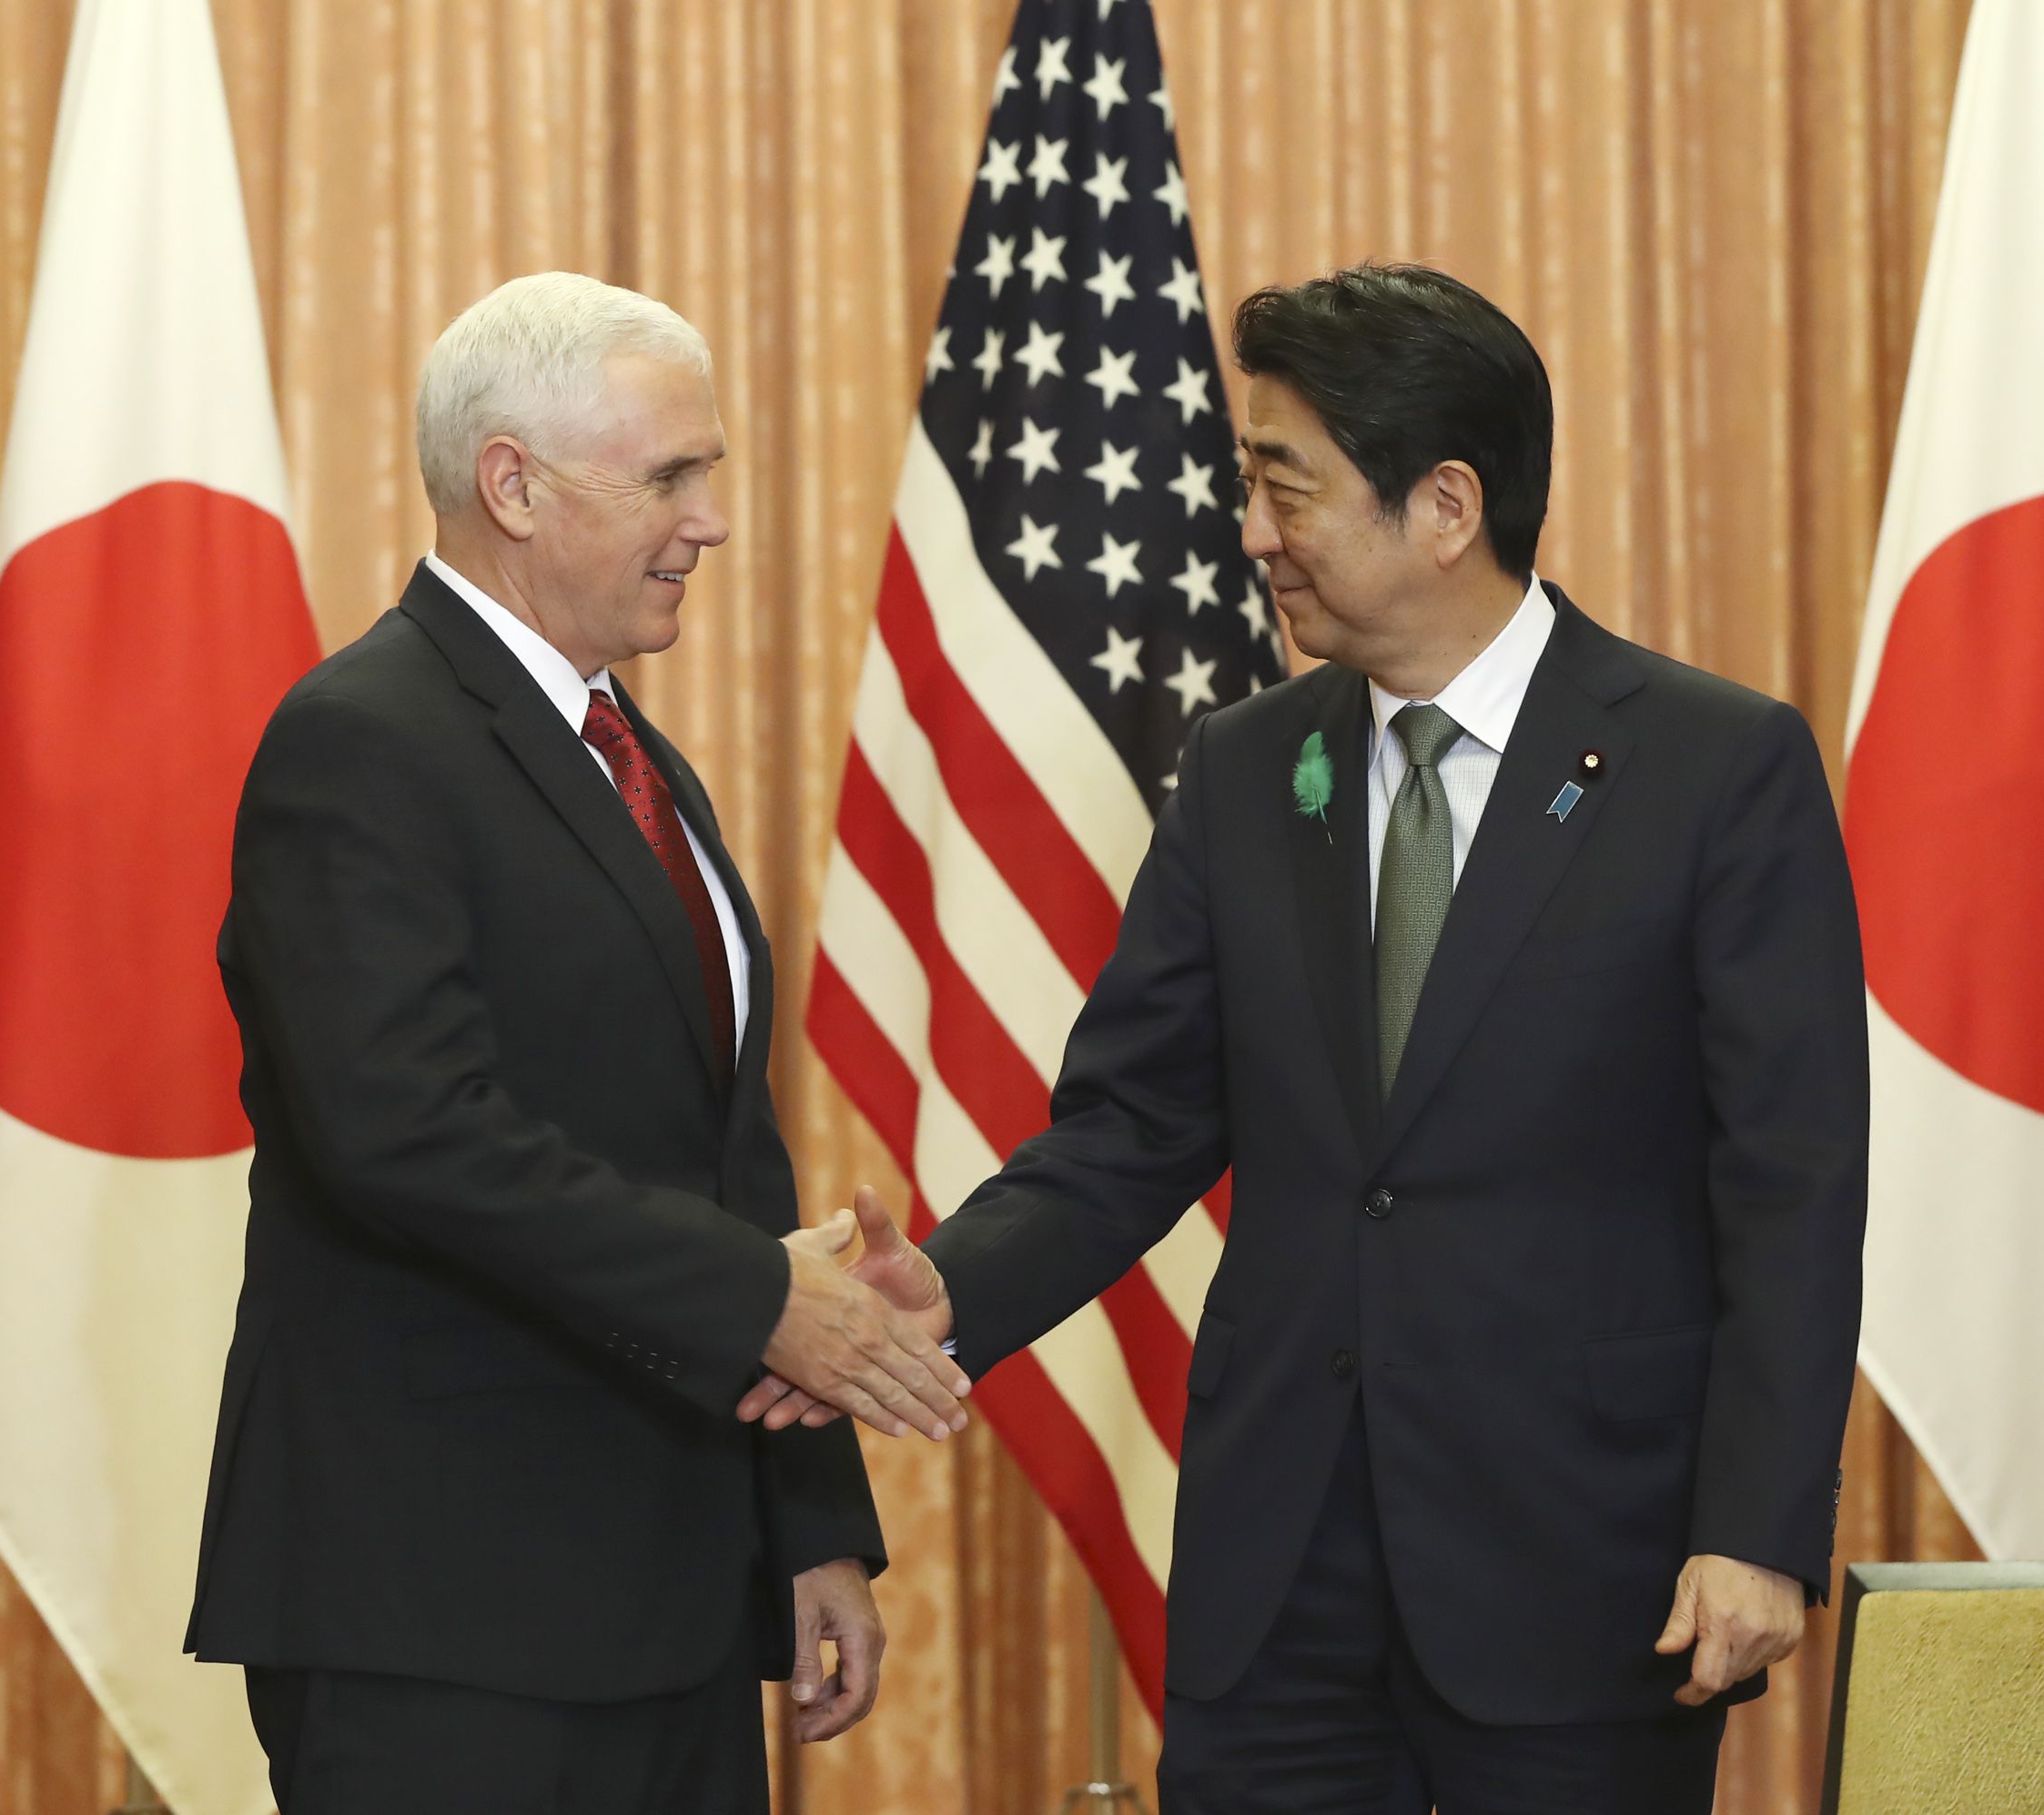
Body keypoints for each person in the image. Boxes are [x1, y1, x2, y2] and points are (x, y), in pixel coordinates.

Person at [744, 264, 1867, 1813]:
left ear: (1448, 505)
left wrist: (1756, 1525)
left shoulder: (1713, 768)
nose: (1254, 534)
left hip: (1577, 1571)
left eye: (1289, 487)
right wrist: (945, 1284)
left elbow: (1793, 1186)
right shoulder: (1247, 769)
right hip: (1281, 1590)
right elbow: (1129, 1127)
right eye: (1249, 484)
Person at [185, 271, 968, 1814]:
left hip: (665, 1599)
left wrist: (808, 1523)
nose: (714, 519)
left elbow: (726, 1152)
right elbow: (405, 1128)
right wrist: (767, 1300)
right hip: (439, 1609)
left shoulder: (636, 759)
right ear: (512, 485)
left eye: (711, 469)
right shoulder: (362, 737)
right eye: (672, 473)